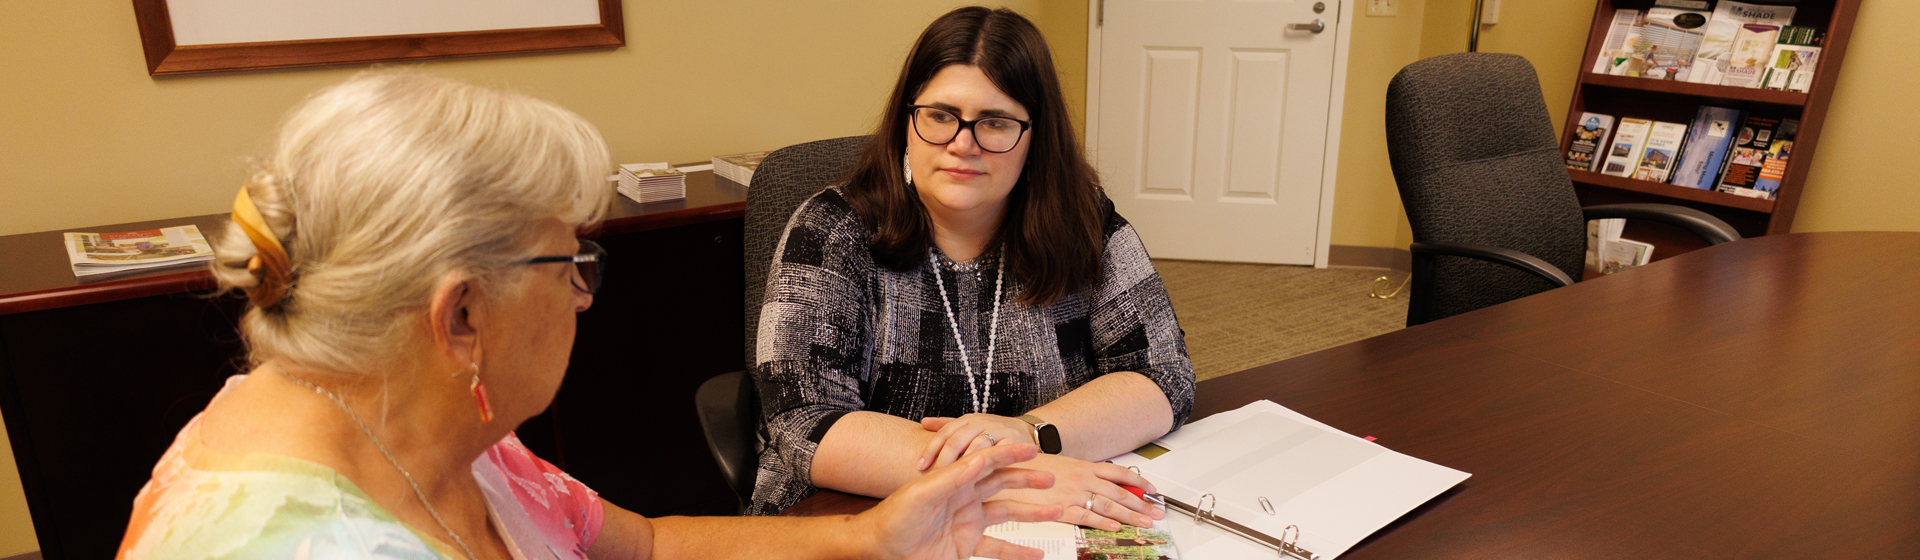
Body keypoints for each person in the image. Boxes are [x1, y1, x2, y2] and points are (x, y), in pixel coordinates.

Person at [116, 70, 1064, 560]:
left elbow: (637, 544)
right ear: (460, 316)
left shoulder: (424, 412)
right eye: (571, 260)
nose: (583, 292)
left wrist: (871, 536)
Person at [751, 6, 1196, 531]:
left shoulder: (1083, 223)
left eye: (995, 122)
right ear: (906, 122)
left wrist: (1030, 434)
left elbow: (1164, 375)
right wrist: (995, 475)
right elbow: (805, 421)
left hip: (1044, 514)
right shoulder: (834, 230)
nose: (963, 144)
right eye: (941, 115)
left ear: (1034, 137)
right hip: (854, 519)